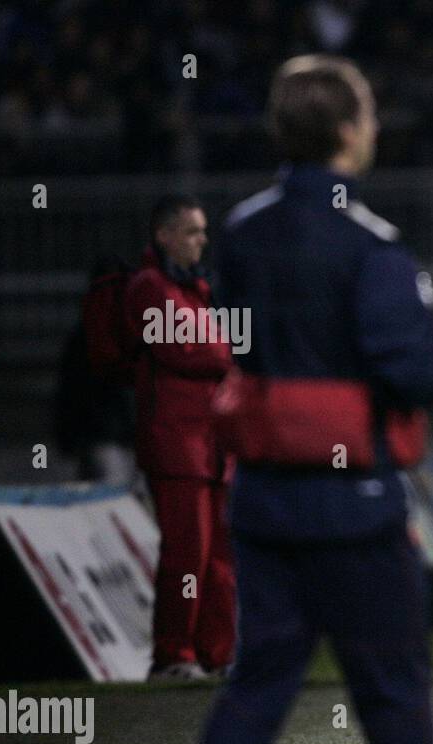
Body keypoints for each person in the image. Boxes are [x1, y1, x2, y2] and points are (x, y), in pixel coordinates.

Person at [176, 55, 433, 744]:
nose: (373, 126)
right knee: (394, 683)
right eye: (367, 113)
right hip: (355, 501)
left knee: (261, 676)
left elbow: (236, 342)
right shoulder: (368, 242)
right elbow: (411, 370)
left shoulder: (239, 231)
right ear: (346, 131)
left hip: (264, 494)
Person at [124, 195, 235, 682]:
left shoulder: (196, 287)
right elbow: (187, 348)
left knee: (218, 558)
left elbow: (210, 344)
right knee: (188, 555)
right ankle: (173, 655)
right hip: (176, 444)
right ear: (164, 235)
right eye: (192, 231)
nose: (201, 240)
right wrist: (235, 347)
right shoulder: (150, 286)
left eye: (203, 230)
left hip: (209, 445)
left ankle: (216, 654)